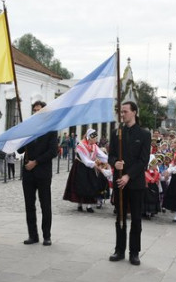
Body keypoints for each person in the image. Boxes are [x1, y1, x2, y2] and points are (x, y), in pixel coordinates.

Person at [108, 101, 151, 266]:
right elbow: (111, 155)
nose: (122, 114)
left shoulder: (144, 134)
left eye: (125, 111)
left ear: (134, 112)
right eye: (121, 111)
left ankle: (134, 252)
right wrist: (114, 163)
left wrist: (128, 176)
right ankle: (119, 249)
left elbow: (143, 160)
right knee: (119, 217)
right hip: (119, 182)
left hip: (135, 182)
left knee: (136, 219)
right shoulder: (116, 133)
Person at [18, 101, 58, 246]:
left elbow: (53, 151)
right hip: (28, 173)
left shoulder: (51, 129)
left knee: (45, 204)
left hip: (43, 172)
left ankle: (46, 235)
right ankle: (32, 235)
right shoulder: (29, 128)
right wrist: (23, 137)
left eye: (39, 110)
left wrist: (36, 162)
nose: (36, 112)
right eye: (34, 110)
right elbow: (20, 151)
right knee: (29, 205)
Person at [63, 128, 108, 213]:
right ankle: (79, 204)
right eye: (94, 138)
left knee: (90, 185)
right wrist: (94, 164)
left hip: (90, 167)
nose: (96, 140)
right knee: (80, 185)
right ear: (89, 138)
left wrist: (110, 160)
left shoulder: (94, 146)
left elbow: (102, 155)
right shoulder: (81, 145)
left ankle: (89, 205)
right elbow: (85, 159)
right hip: (80, 167)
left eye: (96, 138)